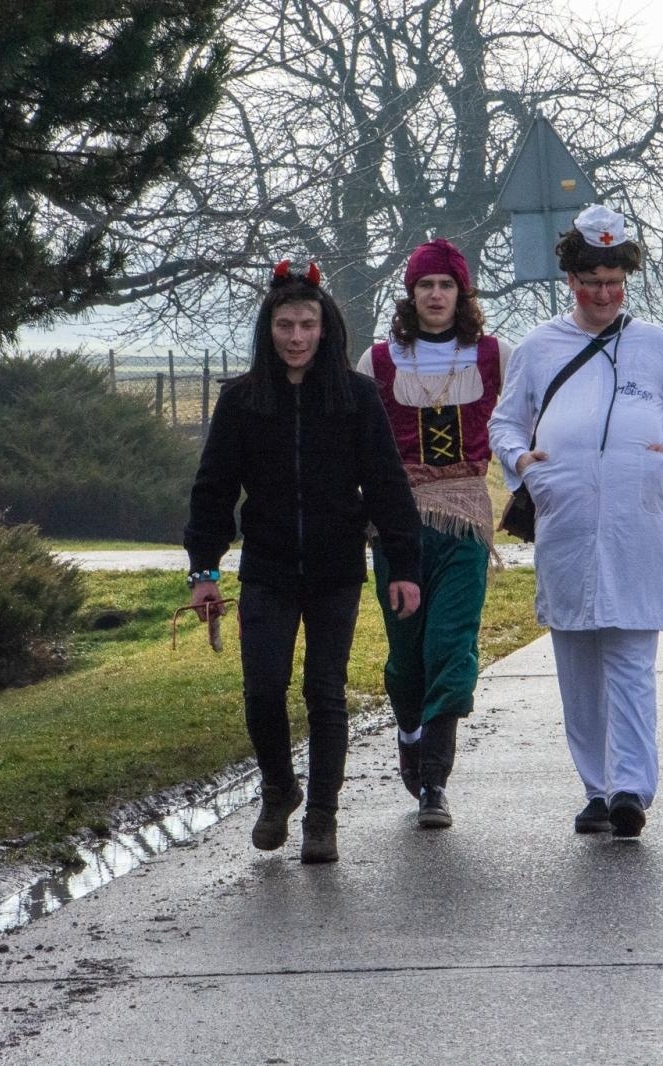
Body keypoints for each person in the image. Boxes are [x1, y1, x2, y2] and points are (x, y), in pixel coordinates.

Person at [488, 205, 663, 838]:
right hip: (565, 526)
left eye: (615, 283)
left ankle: (631, 791)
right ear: (571, 281)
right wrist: (523, 463)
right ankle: (596, 786)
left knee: (631, 663)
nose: (605, 295)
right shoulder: (538, 348)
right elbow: (506, 422)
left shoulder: (658, 346)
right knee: (578, 669)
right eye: (593, 284)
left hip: (636, 526)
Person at [186, 260, 422, 864]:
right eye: (285, 325)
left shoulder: (356, 397)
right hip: (266, 569)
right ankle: (278, 788)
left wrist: (403, 565)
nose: (296, 337)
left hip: (335, 568)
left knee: (326, 691)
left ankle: (322, 816)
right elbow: (213, 490)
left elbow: (388, 486)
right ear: (269, 329)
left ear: (325, 329)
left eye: (307, 325)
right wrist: (204, 570)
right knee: (263, 689)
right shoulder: (241, 400)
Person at [355, 239, 506, 830]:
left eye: (446, 285)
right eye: (425, 286)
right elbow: (358, 442)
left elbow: (528, 414)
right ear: (411, 295)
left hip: (465, 519)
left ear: (461, 294)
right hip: (398, 524)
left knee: (452, 643)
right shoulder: (379, 362)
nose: (436, 295)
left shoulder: (495, 355)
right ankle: (409, 729)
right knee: (406, 656)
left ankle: (435, 780)